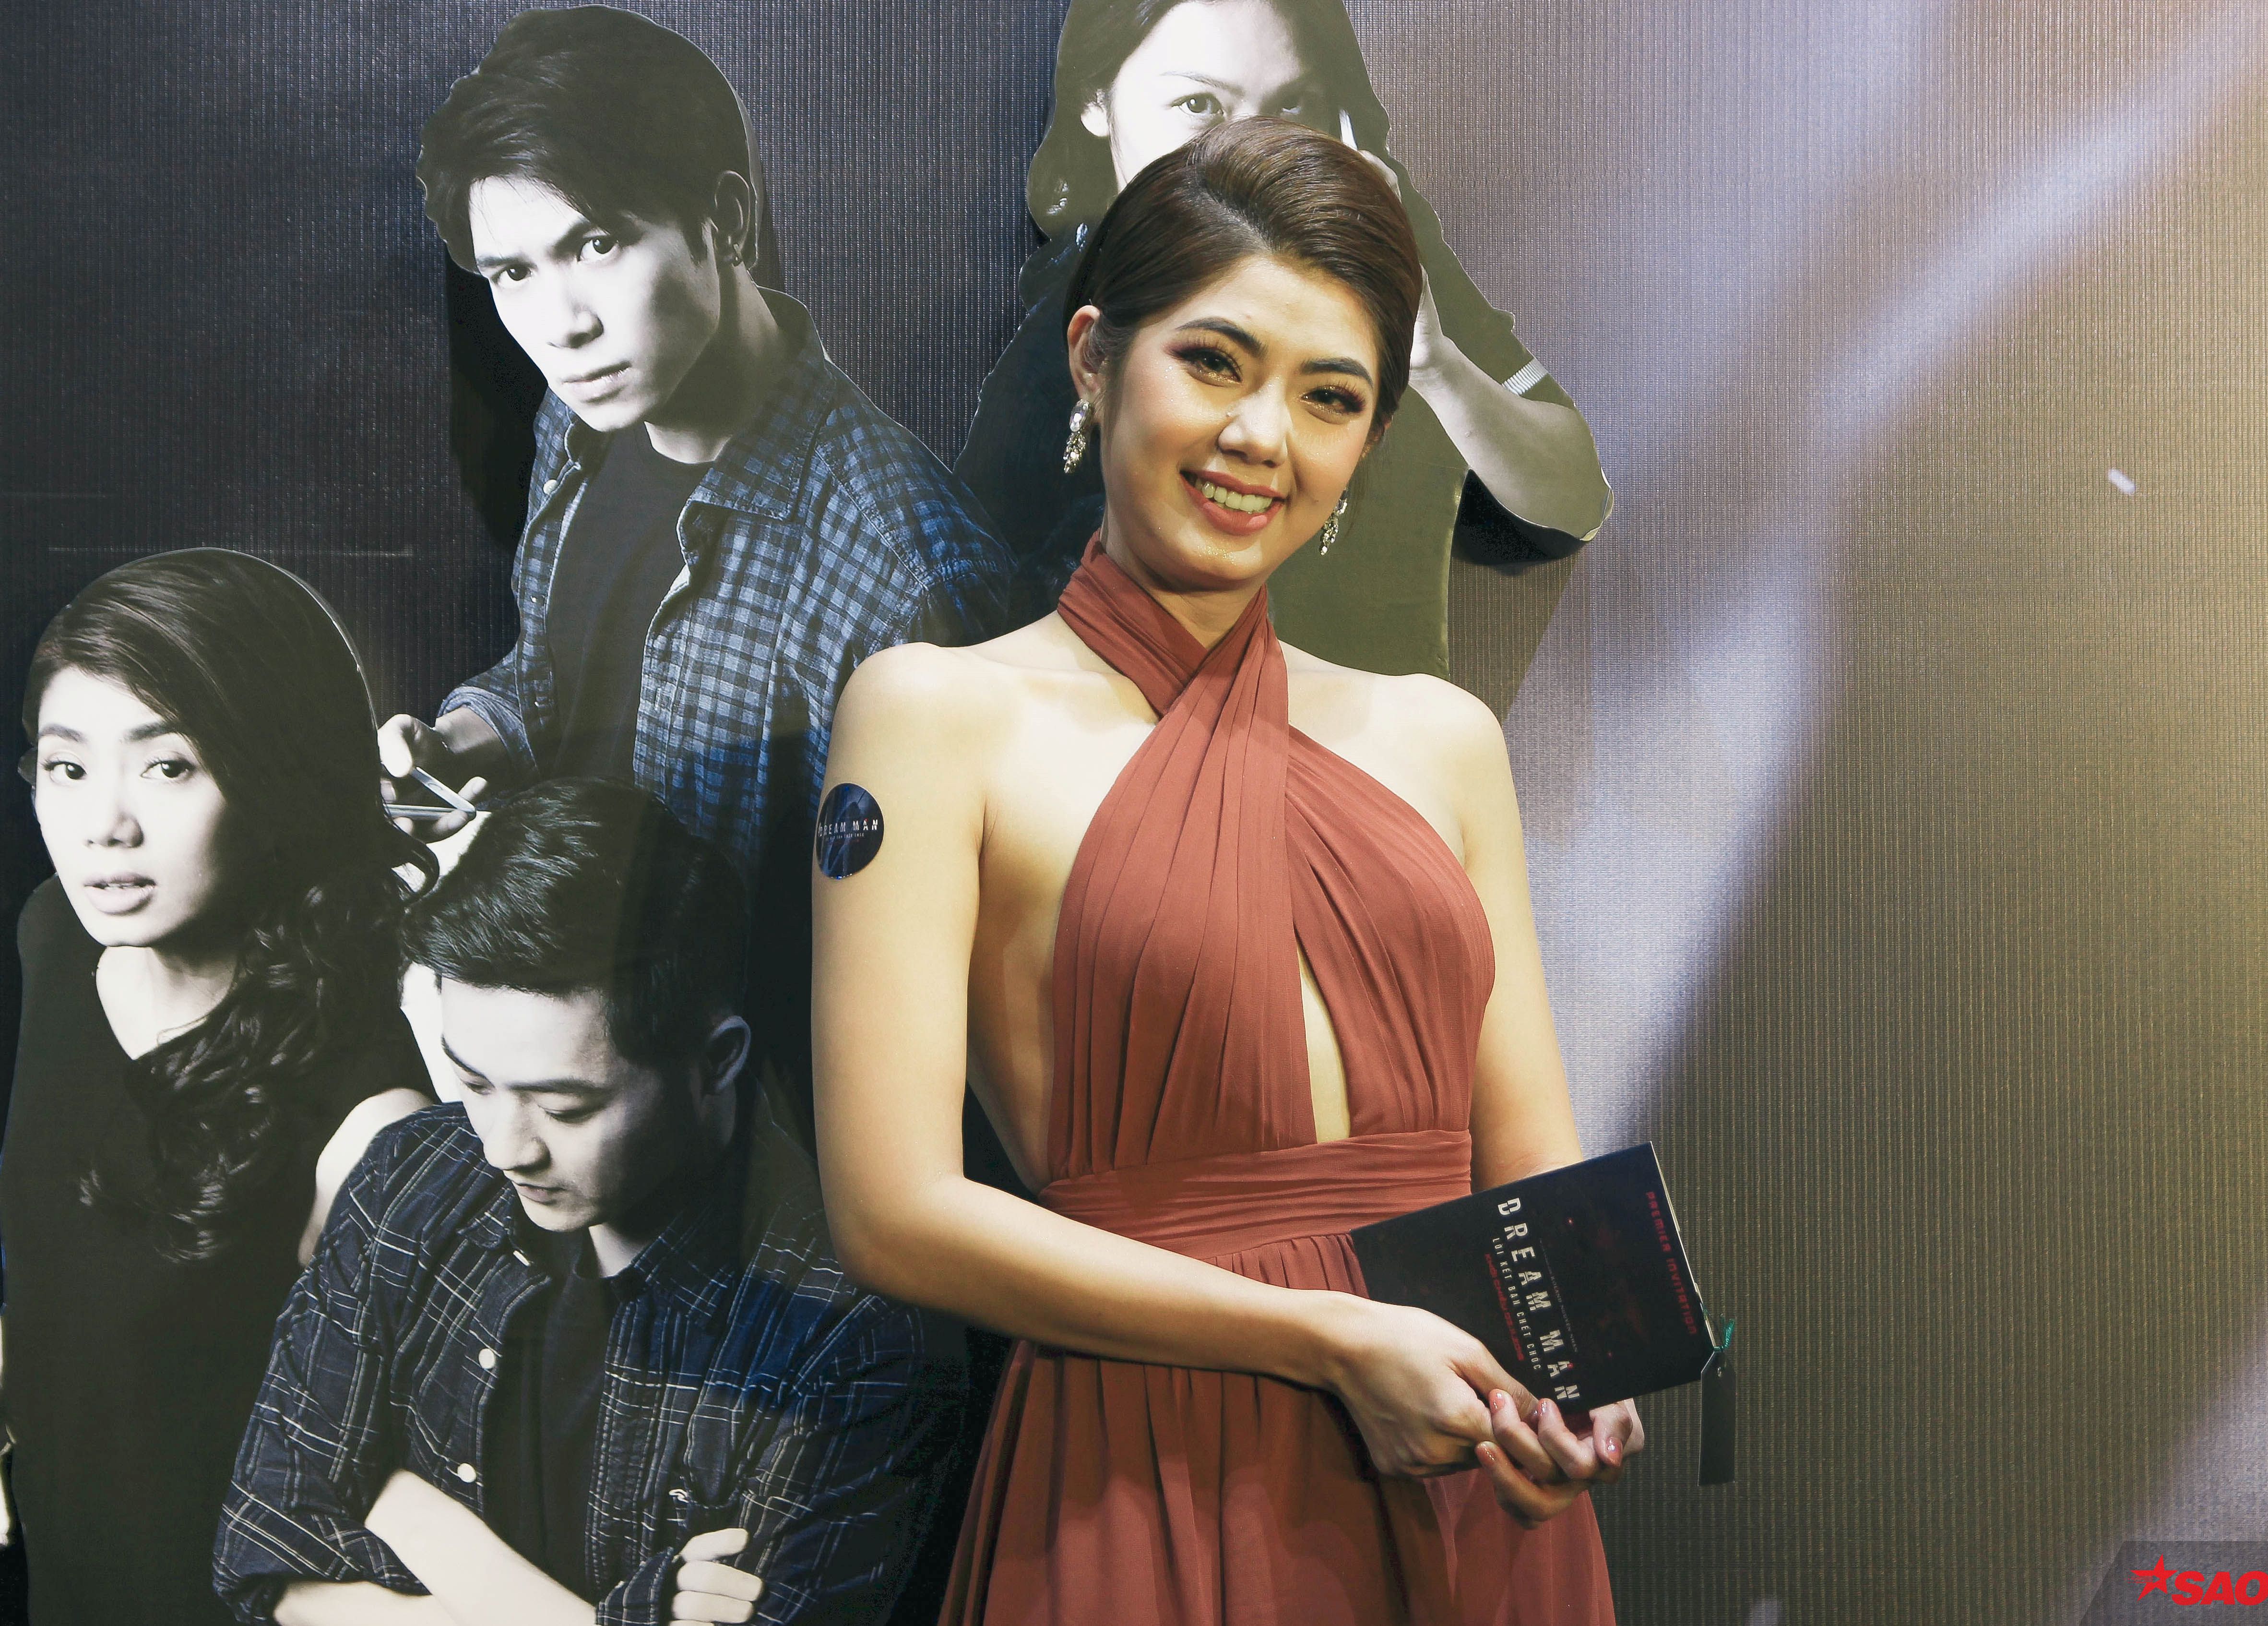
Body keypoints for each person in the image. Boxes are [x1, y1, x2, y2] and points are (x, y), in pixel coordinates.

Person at [814, 120, 1637, 1625]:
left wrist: (1584, 1364)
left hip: (1472, 1474)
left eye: (1330, 397)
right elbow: (893, 1209)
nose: (1264, 435)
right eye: (1214, 362)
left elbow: (1530, 1163)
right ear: (1093, 359)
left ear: (1367, 443)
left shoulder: (1442, 738)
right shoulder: (933, 715)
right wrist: (1328, 1339)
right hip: (1151, 1462)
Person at [381, 7, 1017, 1127]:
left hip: (740, 1127)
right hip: (554, 1055)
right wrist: (468, 742)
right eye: (513, 272)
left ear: (724, 218)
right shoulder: (580, 422)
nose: (560, 324)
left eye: (597, 244)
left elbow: (944, 992)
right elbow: (562, 675)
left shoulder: (906, 569)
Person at [214, 777, 965, 1626]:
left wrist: (412, 1516)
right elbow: (266, 1561)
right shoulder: (408, 1175)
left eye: (566, 1108)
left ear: (716, 1062)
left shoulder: (855, 1337)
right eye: (473, 1084)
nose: (504, 1149)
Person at [0, 550, 435, 1626]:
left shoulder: (371, 1117)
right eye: (67, 768)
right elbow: (59, 1278)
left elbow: (404, 1487)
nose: (105, 826)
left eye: (168, 767)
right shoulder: (56, 937)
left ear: (276, 773)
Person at [954, 0, 1611, 708]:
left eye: (1292, 105)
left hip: (1354, 736)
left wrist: (1434, 366)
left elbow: (1573, 503)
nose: (1252, 146)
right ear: (1096, 101)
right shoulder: (1053, 349)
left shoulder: (1382, 261)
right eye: (1200, 106)